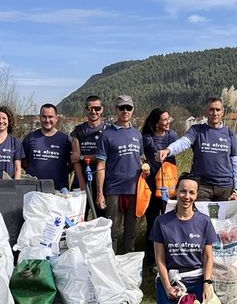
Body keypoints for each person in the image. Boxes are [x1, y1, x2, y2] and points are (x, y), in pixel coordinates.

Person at [151, 174, 218, 304]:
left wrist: (207, 283)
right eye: (183, 191)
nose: (187, 197)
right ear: (176, 191)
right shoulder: (162, 222)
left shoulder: (204, 222)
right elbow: (159, 259)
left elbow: (208, 256)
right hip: (172, 280)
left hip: (196, 280)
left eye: (191, 193)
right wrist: (167, 287)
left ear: (196, 195)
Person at [158, 97, 237, 201]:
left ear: (222, 112)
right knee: (201, 217)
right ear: (206, 112)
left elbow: (236, 162)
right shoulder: (197, 130)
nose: (215, 113)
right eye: (211, 109)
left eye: (218, 110)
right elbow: (183, 142)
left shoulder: (230, 134)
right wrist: (168, 150)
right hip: (201, 187)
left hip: (225, 188)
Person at [95, 96, 144, 255]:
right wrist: (100, 193)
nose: (125, 111)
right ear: (116, 110)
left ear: (133, 110)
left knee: (131, 231)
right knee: (112, 231)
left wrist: (146, 168)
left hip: (135, 190)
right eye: (122, 108)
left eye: (128, 108)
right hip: (114, 189)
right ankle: (111, 263)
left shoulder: (137, 134)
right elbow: (101, 165)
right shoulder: (106, 135)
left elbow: (141, 158)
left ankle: (129, 264)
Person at [141, 107, 178, 266]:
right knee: (153, 222)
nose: (168, 121)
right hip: (151, 187)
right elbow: (141, 157)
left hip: (170, 186)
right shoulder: (146, 138)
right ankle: (152, 259)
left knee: (171, 221)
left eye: (168, 118)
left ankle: (170, 258)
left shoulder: (173, 136)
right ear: (156, 123)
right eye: (164, 119)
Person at [70, 95, 108, 216]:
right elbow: (75, 159)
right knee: (78, 218)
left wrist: (83, 157)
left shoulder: (108, 131)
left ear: (102, 109)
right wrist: (81, 182)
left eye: (97, 108)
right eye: (90, 108)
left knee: (101, 219)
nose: (93, 111)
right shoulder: (78, 131)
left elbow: (105, 158)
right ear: (85, 109)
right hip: (81, 181)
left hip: (103, 182)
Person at [22, 103, 72, 189]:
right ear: (40, 118)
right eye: (44, 116)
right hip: (34, 189)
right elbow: (23, 161)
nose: (47, 120)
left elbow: (73, 163)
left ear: (56, 118)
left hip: (58, 189)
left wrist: (62, 172)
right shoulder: (30, 138)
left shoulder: (65, 139)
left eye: (50, 117)